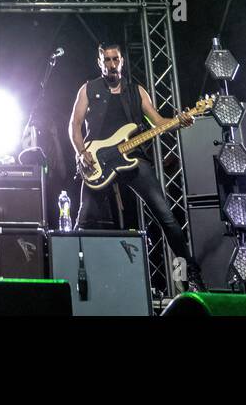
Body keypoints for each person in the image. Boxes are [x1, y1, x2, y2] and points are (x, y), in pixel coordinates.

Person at [69, 43, 203, 291]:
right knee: (83, 219)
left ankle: (190, 276)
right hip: (99, 161)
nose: (111, 64)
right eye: (106, 60)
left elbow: (159, 122)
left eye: (115, 59)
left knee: (167, 219)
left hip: (134, 159)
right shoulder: (89, 89)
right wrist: (81, 152)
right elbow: (74, 125)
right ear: (100, 63)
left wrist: (179, 121)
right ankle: (71, 277)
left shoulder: (136, 91)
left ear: (122, 61)